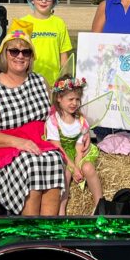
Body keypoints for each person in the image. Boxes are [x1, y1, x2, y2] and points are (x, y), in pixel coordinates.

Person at [0, 20, 66, 215]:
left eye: (26, 52)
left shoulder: (40, 81)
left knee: (54, 160)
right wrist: (19, 142)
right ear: (4, 54)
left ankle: (47, 232)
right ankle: (29, 230)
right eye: (14, 51)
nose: (20, 56)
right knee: (30, 163)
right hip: (5, 148)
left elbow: (53, 116)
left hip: (39, 144)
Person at [46, 75, 103, 214]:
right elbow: (58, 147)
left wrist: (78, 167)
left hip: (77, 153)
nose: (74, 103)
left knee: (88, 168)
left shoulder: (80, 122)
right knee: (65, 173)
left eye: (77, 99)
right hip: (62, 154)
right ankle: (61, 209)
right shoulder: (53, 121)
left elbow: (79, 149)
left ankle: (100, 204)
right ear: (59, 98)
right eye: (70, 99)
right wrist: (73, 168)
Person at [22, 0, 72, 88]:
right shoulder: (23, 23)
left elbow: (63, 54)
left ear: (53, 1)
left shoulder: (59, 23)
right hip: (28, 80)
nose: (43, 1)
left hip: (54, 81)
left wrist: (64, 79)